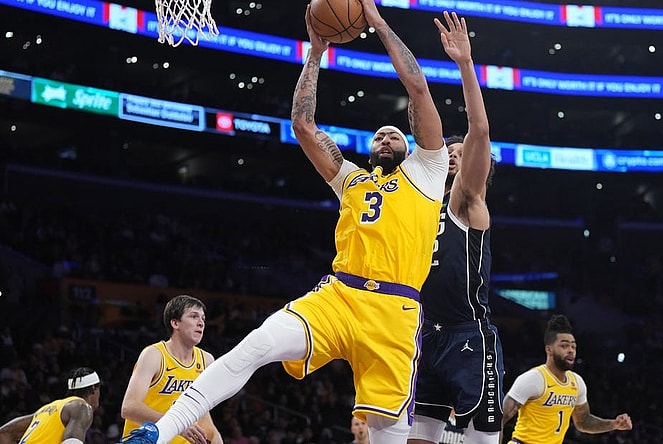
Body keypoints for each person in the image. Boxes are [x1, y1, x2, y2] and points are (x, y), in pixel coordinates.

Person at [117, 0, 447, 442]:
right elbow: (303, 124)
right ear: (369, 148)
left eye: (394, 133)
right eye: (378, 134)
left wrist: (377, 21)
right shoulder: (351, 179)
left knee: (386, 432)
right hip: (340, 295)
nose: (386, 136)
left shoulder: (428, 172)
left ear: (410, 145)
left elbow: (419, 90)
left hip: (395, 310)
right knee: (256, 345)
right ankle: (157, 433)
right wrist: (315, 52)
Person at [408, 11, 502, 444]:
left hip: (469, 338)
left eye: (459, 151)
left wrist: (465, 64)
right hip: (426, 336)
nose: (452, 152)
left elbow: (479, 129)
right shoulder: (426, 207)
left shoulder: (468, 201)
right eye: (450, 149)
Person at [499, 315, 633, 443]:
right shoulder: (533, 379)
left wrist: (613, 424)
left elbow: (583, 422)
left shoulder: (577, 382)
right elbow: (499, 418)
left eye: (573, 346)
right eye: (564, 346)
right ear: (549, 350)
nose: (571, 350)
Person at [120, 295, 223, 444]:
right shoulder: (154, 355)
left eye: (203, 318)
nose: (201, 323)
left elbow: (202, 414)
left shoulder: (206, 360)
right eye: (194, 317)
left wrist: (215, 438)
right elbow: (129, 407)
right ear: (175, 323)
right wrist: (176, 425)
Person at [0, 367, 101, 443]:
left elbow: (4, 433)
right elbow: (72, 441)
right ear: (93, 389)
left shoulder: (45, 409)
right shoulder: (82, 406)